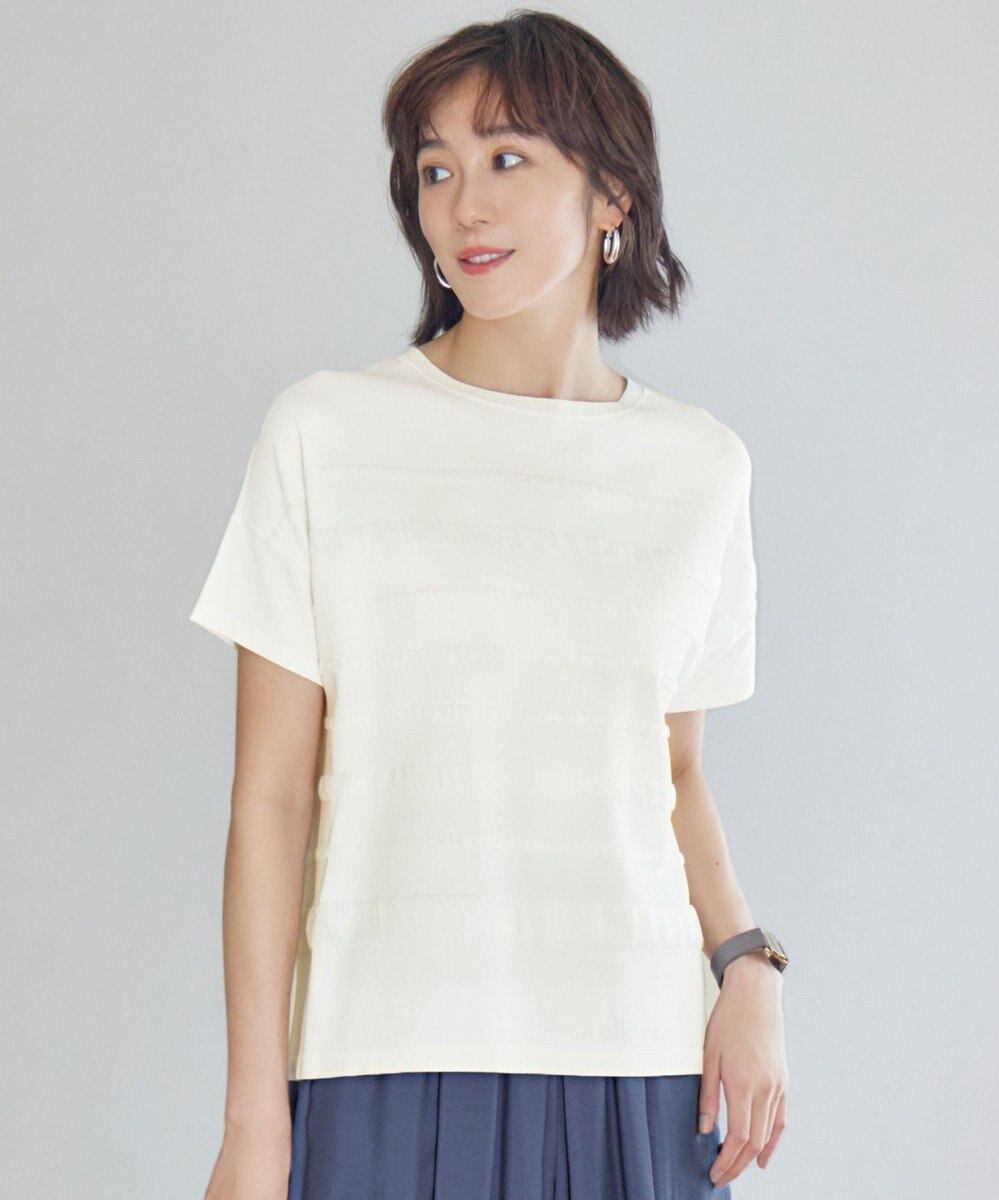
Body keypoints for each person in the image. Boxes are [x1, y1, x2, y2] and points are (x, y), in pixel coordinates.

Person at [191, 11, 789, 1200]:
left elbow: (673, 772)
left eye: (506, 158)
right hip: (381, 1056)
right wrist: (254, 1121)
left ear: (612, 191)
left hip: (640, 1060)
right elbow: (270, 799)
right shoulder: (325, 434)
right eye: (435, 169)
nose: (463, 205)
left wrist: (748, 968)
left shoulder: (699, 466)